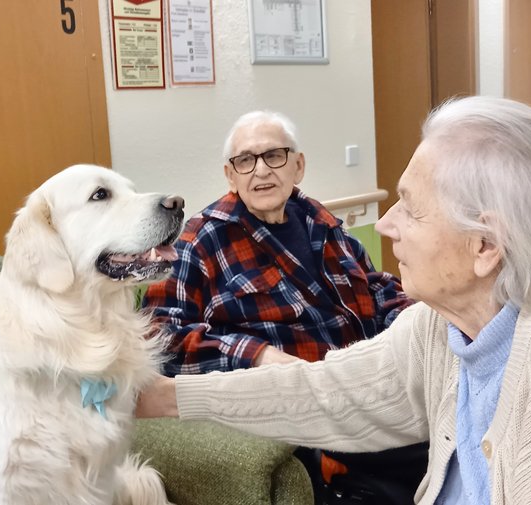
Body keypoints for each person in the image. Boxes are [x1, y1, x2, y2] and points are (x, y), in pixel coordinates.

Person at [138, 96, 531, 504]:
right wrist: (168, 399)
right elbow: (330, 390)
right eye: (246, 161)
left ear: (485, 246)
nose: (384, 224)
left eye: (409, 206)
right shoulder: (446, 327)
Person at [141, 110, 425, 504]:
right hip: (300, 408)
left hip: (368, 385)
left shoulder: (322, 223)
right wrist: (257, 355)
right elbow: (161, 337)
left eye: (274, 155)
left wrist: (416, 320)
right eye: (246, 160)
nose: (261, 171)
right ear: (231, 175)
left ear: (298, 165)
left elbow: (375, 287)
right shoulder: (202, 240)